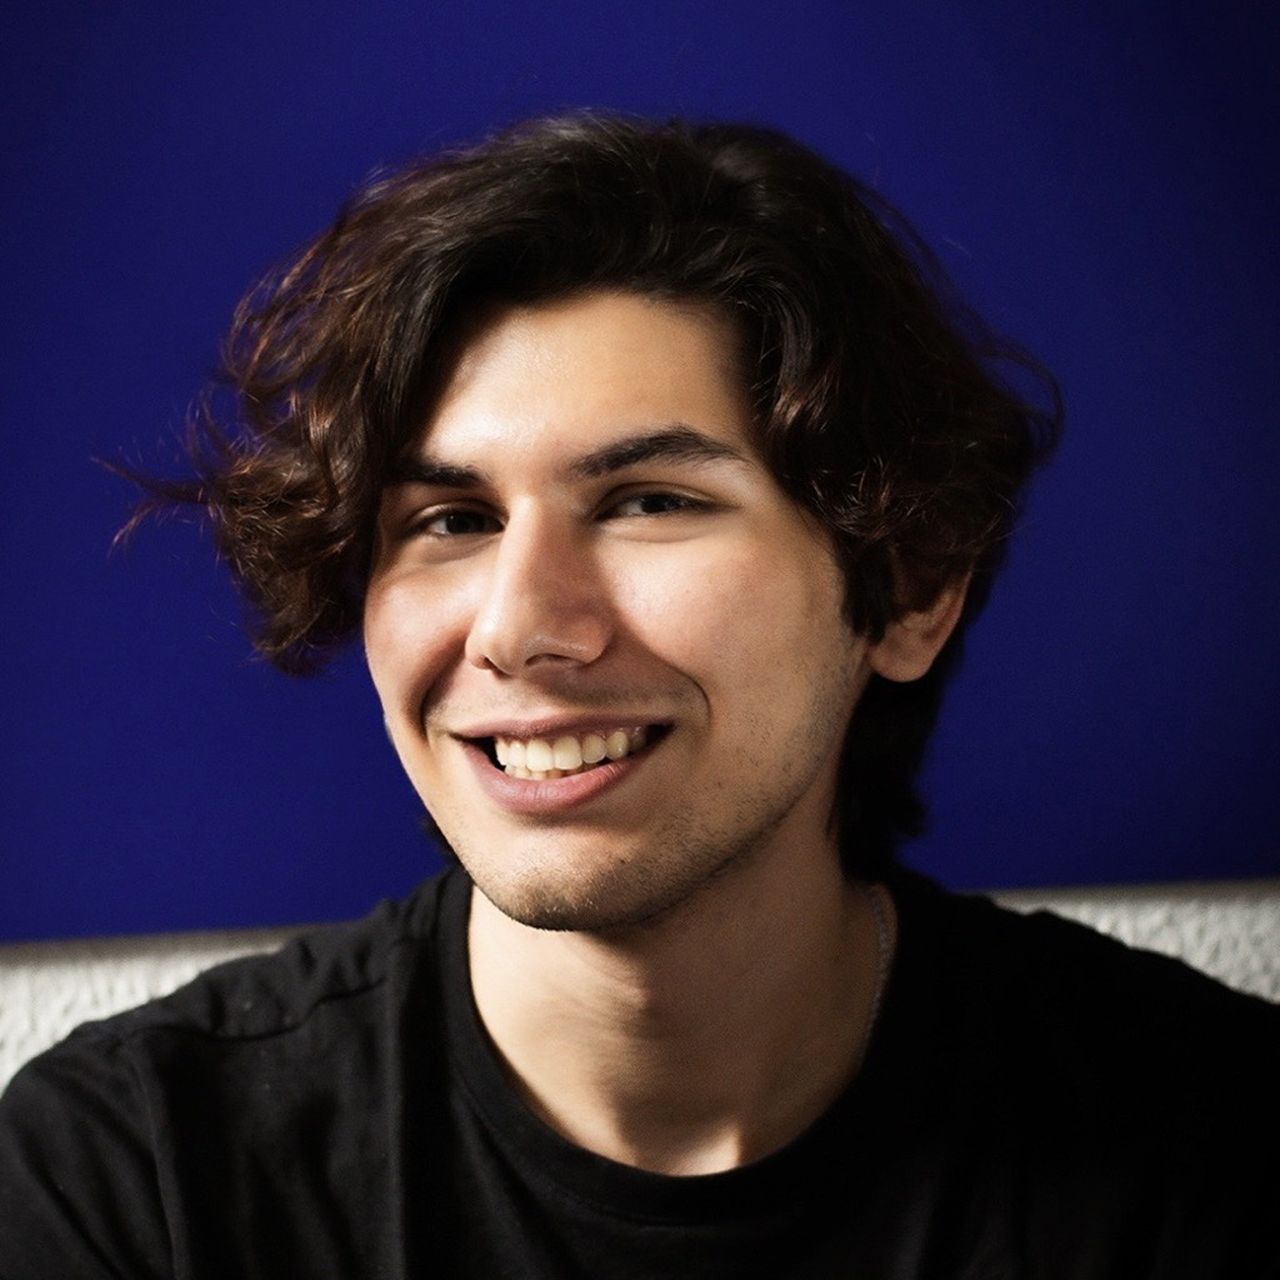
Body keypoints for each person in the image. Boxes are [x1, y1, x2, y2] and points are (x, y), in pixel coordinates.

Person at [0, 113, 1275, 1278]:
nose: (517, 628)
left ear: (907, 587)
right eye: (451, 518)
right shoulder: (131, 1182)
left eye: (647, 501)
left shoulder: (1211, 1144)